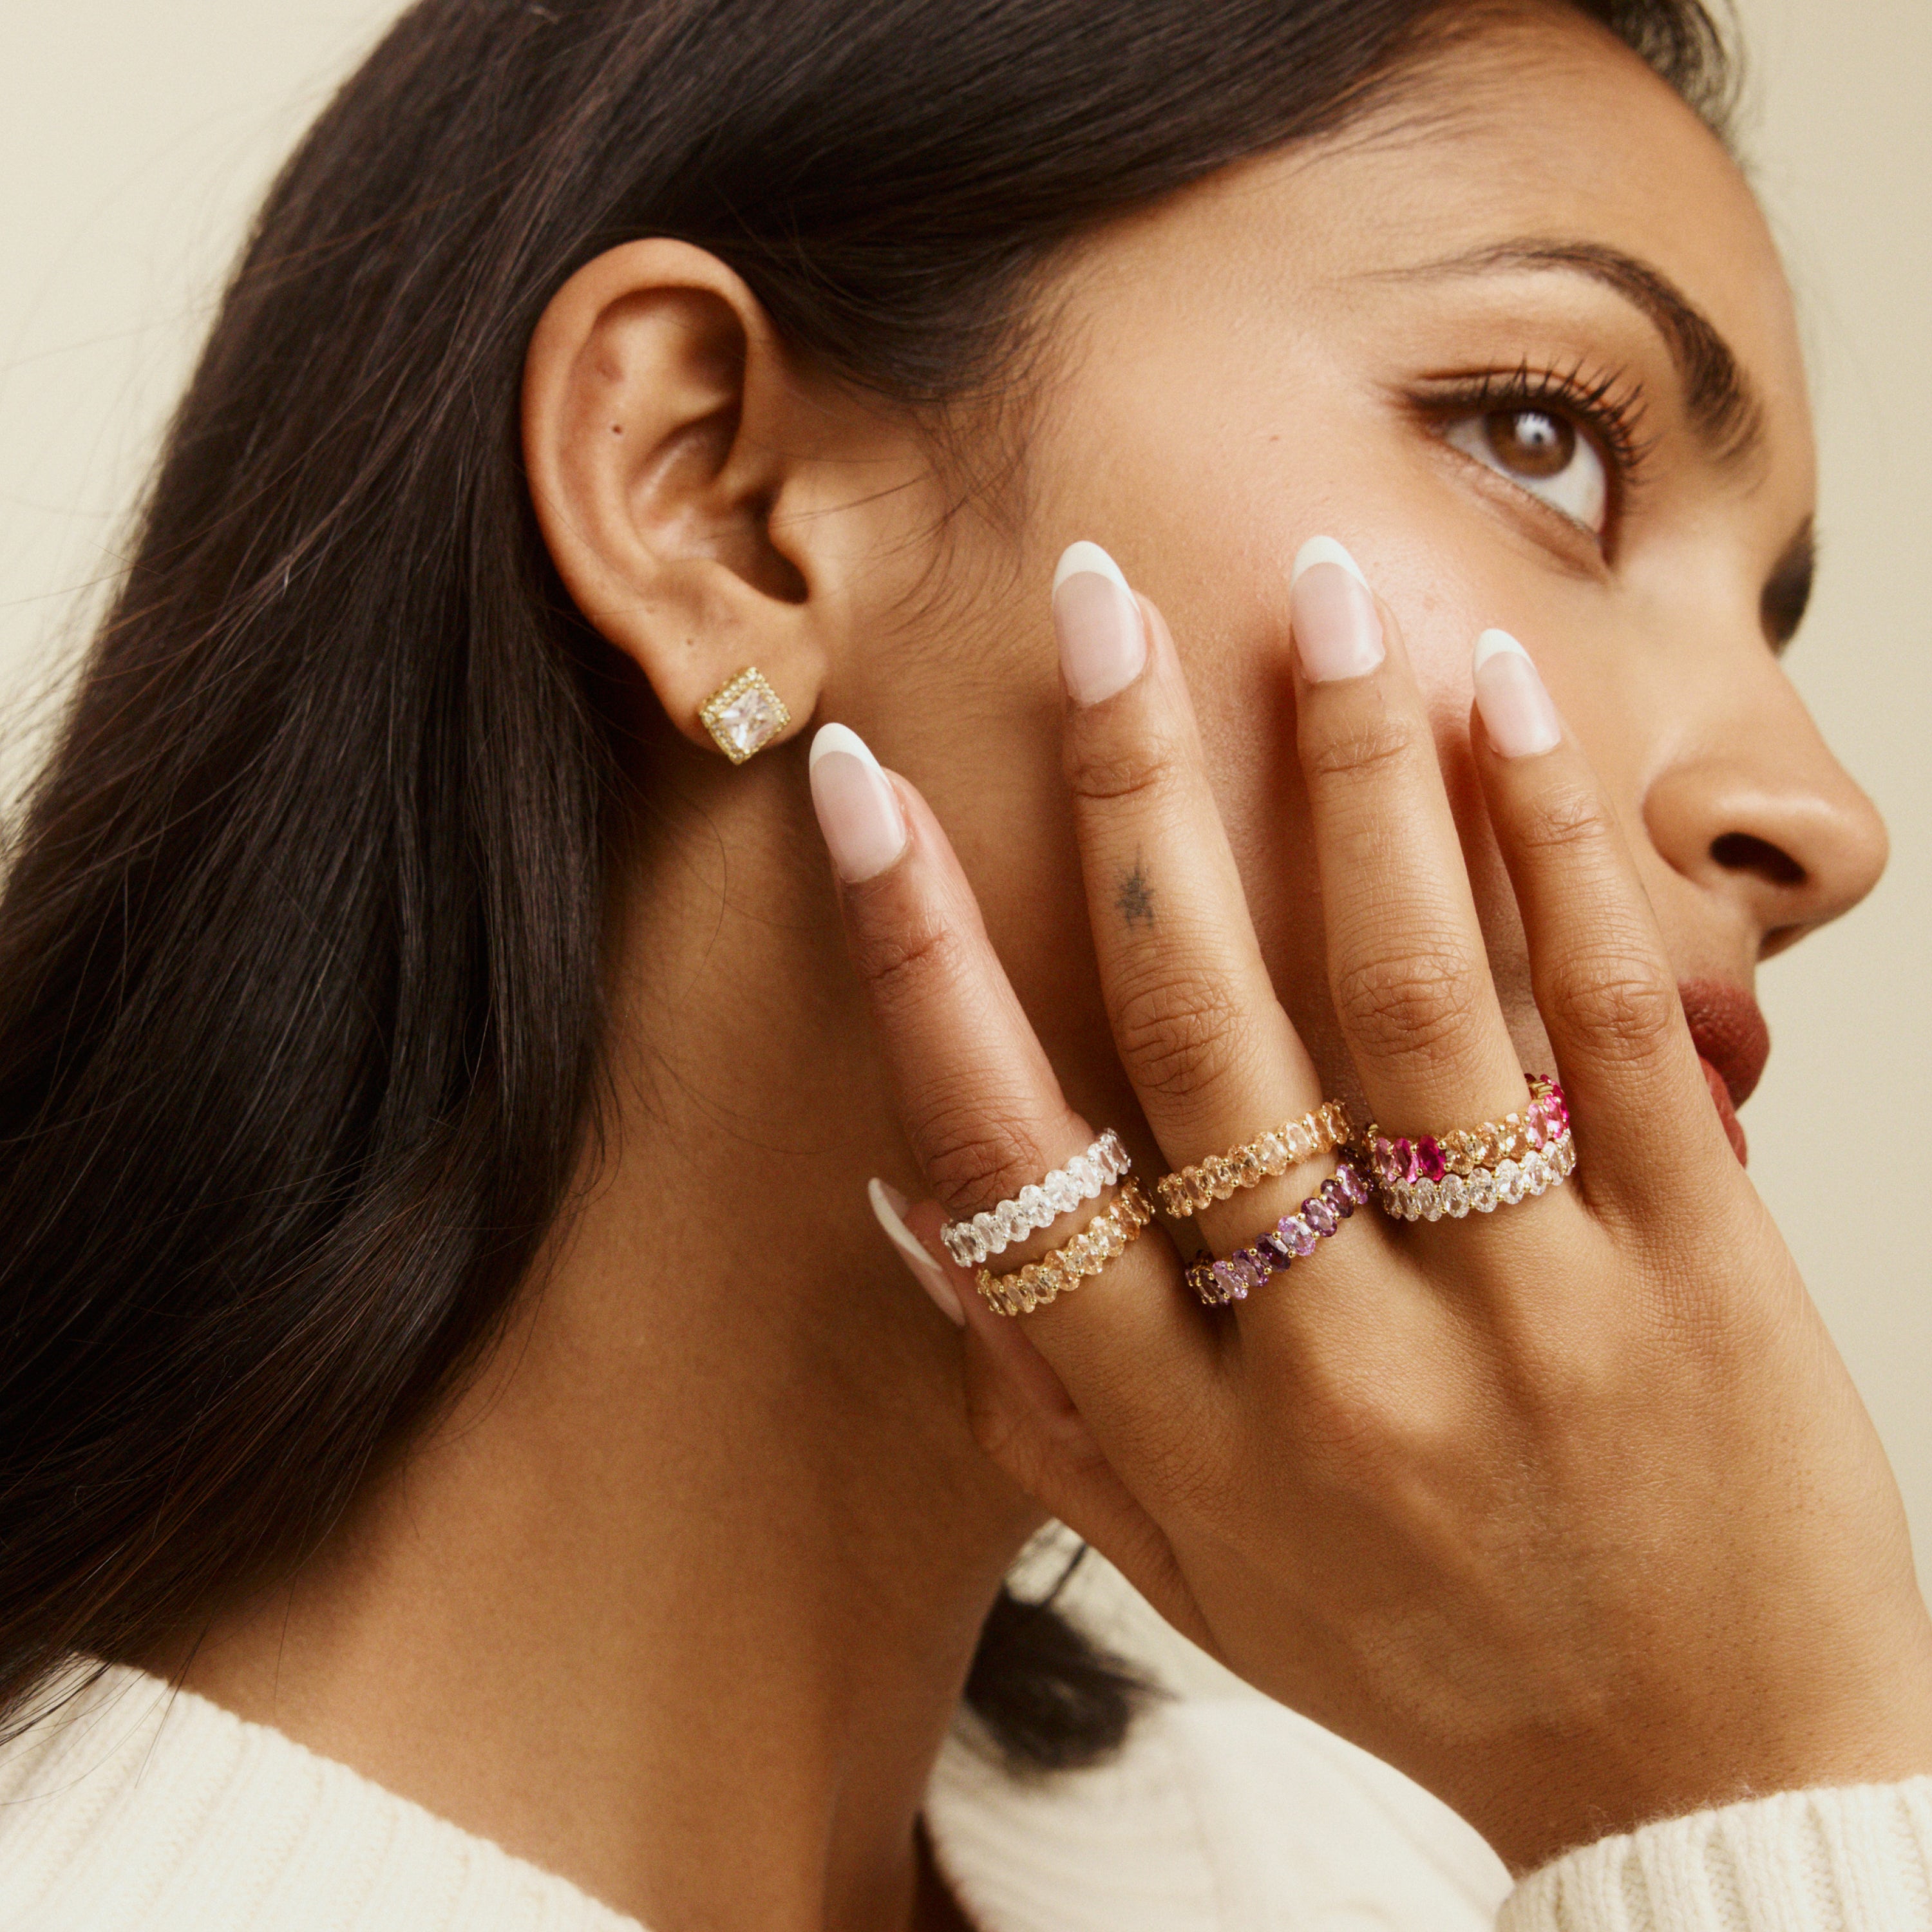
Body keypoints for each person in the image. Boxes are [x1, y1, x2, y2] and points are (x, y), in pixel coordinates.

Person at [1, 0, 1927, 1927]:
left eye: (1772, 614)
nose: (1824, 819)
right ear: (714, 500)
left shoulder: (1402, 1871)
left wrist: (1745, 1774)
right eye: (1543, 439)